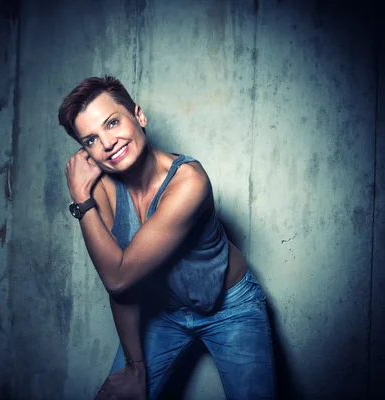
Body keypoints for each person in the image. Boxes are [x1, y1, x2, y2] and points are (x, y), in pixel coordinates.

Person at [59, 76, 275, 400]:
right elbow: (119, 287)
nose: (108, 143)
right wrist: (135, 366)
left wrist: (80, 199)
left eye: (113, 122)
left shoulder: (189, 180)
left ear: (139, 116)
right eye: (90, 140)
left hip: (231, 307)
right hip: (163, 312)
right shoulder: (100, 189)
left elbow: (118, 278)